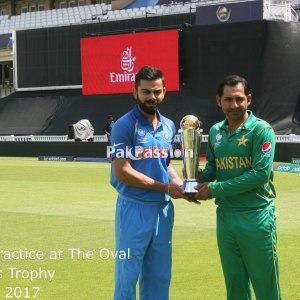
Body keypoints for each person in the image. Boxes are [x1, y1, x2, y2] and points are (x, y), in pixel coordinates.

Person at [194, 75, 281, 300]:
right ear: (218, 101)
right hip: (226, 216)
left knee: (265, 284)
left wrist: (214, 189)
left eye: (239, 99)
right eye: (228, 99)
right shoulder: (215, 131)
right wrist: (194, 174)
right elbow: (213, 169)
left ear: (249, 99)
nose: (234, 105)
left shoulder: (261, 130)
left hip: (256, 216)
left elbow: (259, 174)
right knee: (234, 283)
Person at [110, 66, 192, 300]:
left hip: (163, 210)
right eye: (145, 92)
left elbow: (165, 164)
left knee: (159, 276)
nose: (152, 97)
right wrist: (165, 187)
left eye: (156, 91)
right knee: (127, 276)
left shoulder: (168, 125)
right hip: (133, 208)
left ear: (164, 92)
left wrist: (181, 185)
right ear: (135, 92)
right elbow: (123, 172)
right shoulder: (125, 125)